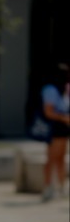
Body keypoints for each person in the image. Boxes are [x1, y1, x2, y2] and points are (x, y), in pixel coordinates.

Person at [39, 62, 70, 201]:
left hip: (63, 128)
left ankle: (62, 187)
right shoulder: (50, 89)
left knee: (61, 159)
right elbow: (48, 112)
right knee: (51, 159)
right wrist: (64, 118)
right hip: (55, 127)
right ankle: (48, 188)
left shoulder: (65, 89)